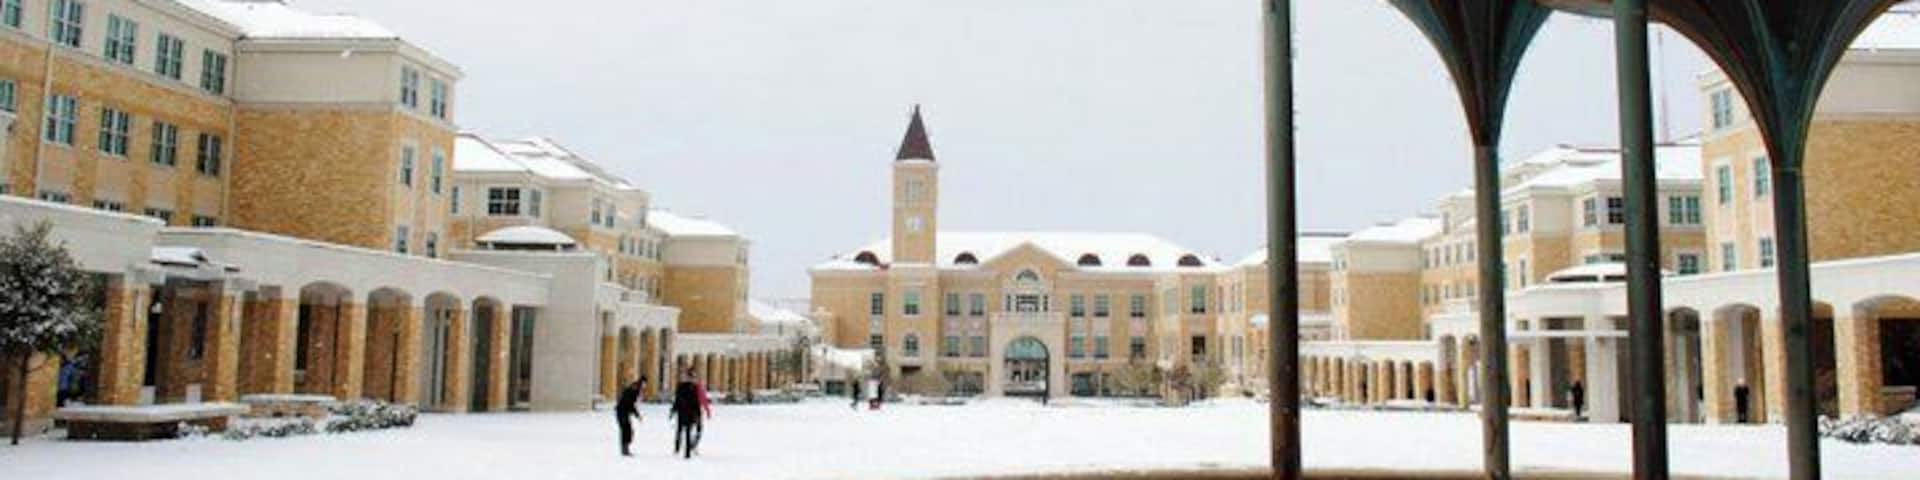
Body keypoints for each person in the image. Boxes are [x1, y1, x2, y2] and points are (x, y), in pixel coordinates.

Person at [670, 367, 712, 459]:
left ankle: (682, 450)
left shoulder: (686, 386)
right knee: (684, 431)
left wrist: (673, 410)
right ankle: (684, 451)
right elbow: (693, 401)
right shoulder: (692, 387)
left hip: (685, 411)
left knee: (682, 431)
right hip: (688, 412)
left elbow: (679, 400)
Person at [614, 377, 646, 456]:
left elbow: (631, 404)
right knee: (626, 430)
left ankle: (625, 448)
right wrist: (637, 415)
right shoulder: (635, 390)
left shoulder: (634, 388)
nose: (645, 386)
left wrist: (636, 414)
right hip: (622, 411)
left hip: (623, 411)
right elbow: (630, 403)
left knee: (627, 430)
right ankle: (625, 449)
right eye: (644, 384)